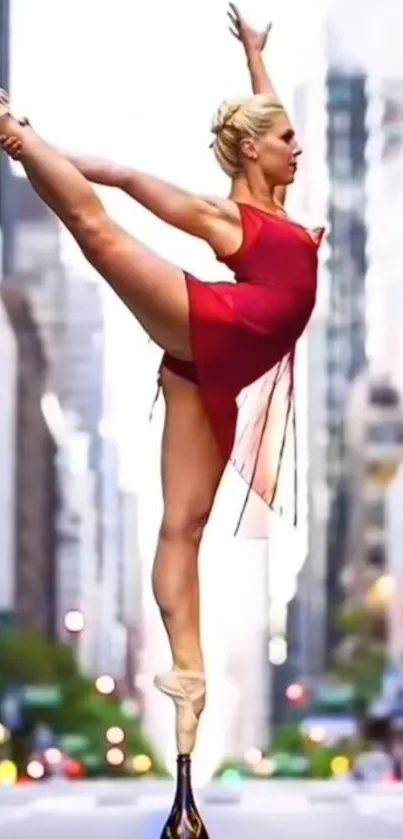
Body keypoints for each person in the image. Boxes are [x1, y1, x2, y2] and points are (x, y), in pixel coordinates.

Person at [0, 5, 323, 756]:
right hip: (214, 326)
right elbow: (125, 179)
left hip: (212, 375)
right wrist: (46, 145)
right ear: (251, 149)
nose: (296, 147)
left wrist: (252, 55)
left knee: (183, 526)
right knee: (99, 228)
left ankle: (187, 674)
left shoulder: (271, 204)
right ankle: (11, 130)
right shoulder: (227, 217)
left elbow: (266, 114)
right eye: (285, 140)